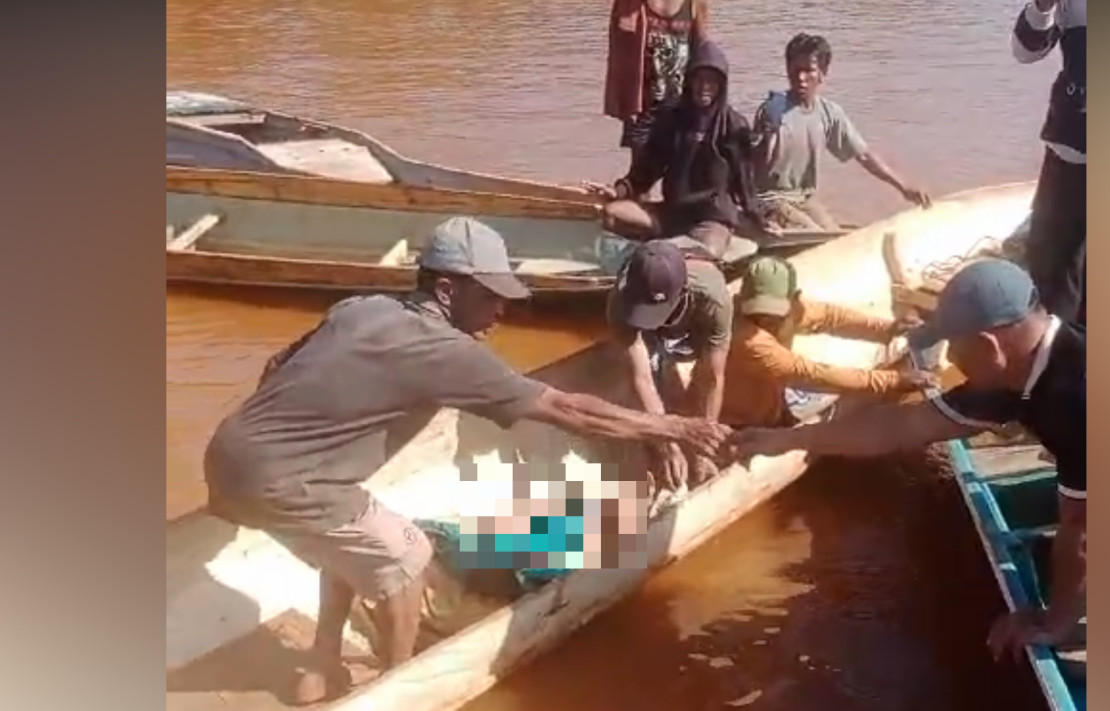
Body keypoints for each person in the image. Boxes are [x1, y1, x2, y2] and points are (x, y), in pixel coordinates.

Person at [203, 217, 731, 704]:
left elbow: (279, 364)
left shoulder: (362, 307)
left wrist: (274, 441)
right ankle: (400, 689)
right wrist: (674, 425)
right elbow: (566, 409)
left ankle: (321, 664)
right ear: (449, 290)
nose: (502, 310)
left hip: (229, 454)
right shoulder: (445, 350)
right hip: (287, 481)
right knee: (405, 561)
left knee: (353, 543)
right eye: (491, 297)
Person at [730, 259, 1085, 658]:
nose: (950, 359)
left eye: (955, 346)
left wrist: (1054, 622)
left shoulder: (1076, 396)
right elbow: (896, 427)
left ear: (989, 345)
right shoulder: (1017, 373)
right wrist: (787, 440)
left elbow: (1082, 529)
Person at [587, 39, 772, 259]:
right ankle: (651, 256)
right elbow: (647, 170)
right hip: (672, 213)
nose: (704, 87)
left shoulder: (734, 125)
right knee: (613, 214)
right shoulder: (671, 119)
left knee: (709, 250)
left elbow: (745, 183)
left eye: (712, 82)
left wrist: (759, 217)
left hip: (711, 218)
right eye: (699, 79)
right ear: (689, 81)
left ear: (722, 86)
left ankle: (659, 256)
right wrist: (618, 191)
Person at [721, 256, 936, 428]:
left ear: (795, 298)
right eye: (757, 311)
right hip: (739, 419)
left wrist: (888, 329)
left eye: (773, 312)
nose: (764, 320)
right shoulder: (748, 340)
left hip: (771, 397)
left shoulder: (793, 310)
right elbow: (812, 373)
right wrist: (893, 381)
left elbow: (831, 317)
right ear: (741, 299)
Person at [751, 33, 931, 232]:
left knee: (836, 233)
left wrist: (903, 186)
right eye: (796, 70)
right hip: (771, 200)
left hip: (804, 198)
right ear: (787, 69)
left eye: (808, 70)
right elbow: (748, 164)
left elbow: (863, 155)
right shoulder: (773, 111)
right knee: (818, 238)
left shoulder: (829, 113)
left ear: (822, 72)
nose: (801, 78)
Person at [606, 239, 733, 495]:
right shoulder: (619, 302)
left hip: (692, 316)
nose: (650, 318)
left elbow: (713, 376)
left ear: (683, 291)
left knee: (702, 370)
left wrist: (704, 447)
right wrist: (667, 445)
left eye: (657, 310)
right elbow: (640, 377)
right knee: (640, 375)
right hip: (651, 330)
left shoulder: (713, 299)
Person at [1012, 0, 1086, 326]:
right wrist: (1043, 6)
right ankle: (1056, 359)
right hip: (1070, 149)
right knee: (1050, 267)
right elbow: (1025, 51)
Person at [603, 0, 710, 166]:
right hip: (642, 104)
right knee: (640, 173)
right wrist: (621, 101)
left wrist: (705, 103)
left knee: (679, 174)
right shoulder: (629, 6)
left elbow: (703, 50)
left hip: (681, 102)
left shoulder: (695, 3)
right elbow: (618, 56)